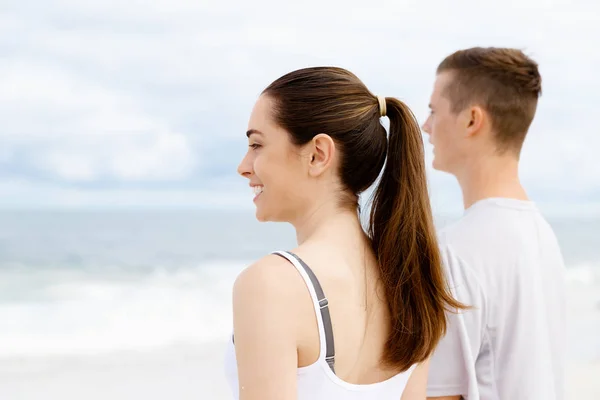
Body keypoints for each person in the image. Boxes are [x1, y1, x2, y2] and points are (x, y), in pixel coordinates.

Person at [224, 66, 464, 400]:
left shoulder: (271, 285)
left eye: (257, 144)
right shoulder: (407, 278)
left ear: (318, 154)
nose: (244, 165)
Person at [422, 47, 567, 400]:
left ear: (472, 120)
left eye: (433, 111)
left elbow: (440, 394)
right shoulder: (543, 236)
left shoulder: (452, 252)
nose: (426, 126)